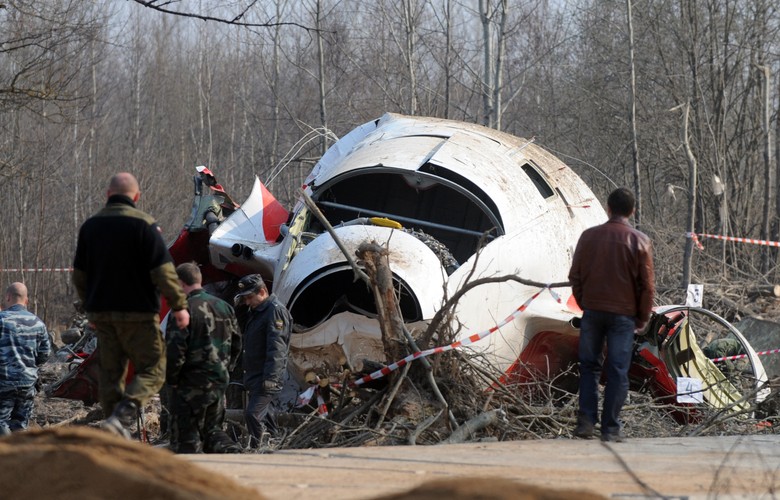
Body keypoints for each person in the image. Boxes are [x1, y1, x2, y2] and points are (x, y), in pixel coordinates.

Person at [72, 172, 190, 439]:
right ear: (136, 197)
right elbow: (164, 271)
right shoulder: (145, 226)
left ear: (108, 195)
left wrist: (90, 307)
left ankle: (115, 429)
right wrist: (179, 305)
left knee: (112, 374)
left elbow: (79, 275)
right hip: (138, 312)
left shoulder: (90, 227)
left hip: (103, 314)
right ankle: (124, 415)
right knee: (154, 369)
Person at [568, 187, 655, 442]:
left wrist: (586, 303)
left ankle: (585, 423)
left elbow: (575, 276)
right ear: (632, 211)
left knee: (589, 368)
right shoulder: (640, 241)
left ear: (608, 208)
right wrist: (642, 317)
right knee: (617, 370)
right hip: (623, 317)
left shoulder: (588, 237)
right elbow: (647, 286)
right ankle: (611, 429)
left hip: (593, 312)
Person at [165, 262, 242, 453]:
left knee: (187, 438)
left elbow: (175, 350)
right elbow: (237, 343)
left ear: (181, 283)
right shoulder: (225, 307)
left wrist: (172, 380)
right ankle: (229, 451)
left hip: (190, 385)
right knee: (212, 430)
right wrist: (226, 368)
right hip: (218, 381)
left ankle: (193, 478)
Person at [234, 274, 291, 449]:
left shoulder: (274, 311)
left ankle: (258, 449)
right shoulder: (256, 312)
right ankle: (275, 446)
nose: (248, 302)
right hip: (255, 376)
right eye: (245, 299)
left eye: (250, 297)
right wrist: (240, 307)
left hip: (266, 377)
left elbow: (277, 347)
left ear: (262, 291)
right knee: (266, 416)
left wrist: (272, 378)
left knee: (253, 414)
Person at [0, 283, 51, 435]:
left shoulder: (1, 320)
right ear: (26, 300)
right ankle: (20, 455)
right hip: (28, 383)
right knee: (20, 425)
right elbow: (44, 355)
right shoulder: (38, 323)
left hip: (4, 382)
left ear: (7, 297)